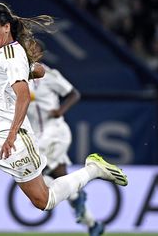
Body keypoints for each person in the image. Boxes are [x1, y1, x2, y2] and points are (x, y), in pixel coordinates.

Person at [0, 1, 128, 236]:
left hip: (13, 141)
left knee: (44, 200)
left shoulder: (11, 53)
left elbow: (23, 96)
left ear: (6, 27)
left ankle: (93, 170)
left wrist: (11, 134)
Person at [27, 42, 104, 236]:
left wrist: (60, 111)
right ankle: (93, 224)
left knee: (32, 169)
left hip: (55, 132)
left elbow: (73, 94)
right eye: (27, 47)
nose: (30, 51)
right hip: (38, 135)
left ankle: (81, 191)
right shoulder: (18, 75)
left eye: (33, 48)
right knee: (61, 179)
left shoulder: (50, 75)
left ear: (41, 53)